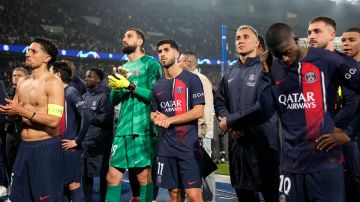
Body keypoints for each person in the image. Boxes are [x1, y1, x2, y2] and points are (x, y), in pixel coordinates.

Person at [262, 22, 360, 202]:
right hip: (290, 166)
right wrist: (265, 75)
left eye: (286, 52)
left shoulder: (328, 60)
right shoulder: (275, 69)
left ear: (296, 40)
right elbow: (265, 111)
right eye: (278, 55)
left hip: (324, 163)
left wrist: (349, 132)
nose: (284, 59)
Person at [214, 25, 279, 202]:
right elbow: (219, 101)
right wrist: (230, 123)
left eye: (245, 36)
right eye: (237, 38)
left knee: (270, 194)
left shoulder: (267, 68)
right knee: (244, 195)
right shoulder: (230, 71)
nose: (240, 40)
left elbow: (263, 106)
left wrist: (231, 122)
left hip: (262, 142)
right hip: (237, 144)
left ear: (257, 42)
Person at [0, 37, 64, 201]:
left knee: (44, 198)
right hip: (23, 146)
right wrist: (9, 112)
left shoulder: (53, 83)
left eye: (33, 51)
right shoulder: (22, 81)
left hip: (45, 147)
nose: (27, 54)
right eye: (28, 50)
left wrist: (20, 110)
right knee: (19, 197)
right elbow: (14, 112)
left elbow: (53, 121)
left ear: (46, 58)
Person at [106, 28, 162, 202]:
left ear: (140, 42)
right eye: (123, 36)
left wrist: (129, 85)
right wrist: (116, 87)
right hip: (122, 129)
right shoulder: (123, 68)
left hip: (143, 128)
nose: (124, 39)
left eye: (128, 36)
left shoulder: (150, 64)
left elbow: (156, 96)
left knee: (143, 177)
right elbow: (113, 100)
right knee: (112, 177)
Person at [307, 17, 360, 202]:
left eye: (317, 31)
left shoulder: (344, 65)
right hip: (310, 146)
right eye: (309, 32)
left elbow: (352, 104)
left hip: (340, 138)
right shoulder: (303, 63)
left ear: (331, 35)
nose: (312, 36)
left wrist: (345, 131)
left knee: (350, 181)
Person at [151, 39, 204, 202]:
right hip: (165, 147)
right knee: (174, 192)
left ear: (177, 53)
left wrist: (170, 120)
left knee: (194, 195)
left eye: (166, 50)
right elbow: (153, 113)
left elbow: (198, 111)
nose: (162, 54)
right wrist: (155, 118)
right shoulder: (157, 85)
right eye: (159, 52)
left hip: (188, 147)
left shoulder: (191, 79)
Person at [50, 61, 91, 202]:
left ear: (57, 75)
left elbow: (87, 115)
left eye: (50, 73)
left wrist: (77, 140)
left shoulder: (71, 91)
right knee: (60, 185)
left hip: (69, 147)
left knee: (73, 184)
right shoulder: (57, 93)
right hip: (58, 145)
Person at [179, 50, 216, 202]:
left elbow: (204, 108)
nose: (178, 63)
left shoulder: (199, 79)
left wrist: (200, 132)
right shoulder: (192, 79)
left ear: (187, 62)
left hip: (200, 133)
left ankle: (210, 199)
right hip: (194, 133)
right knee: (193, 168)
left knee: (205, 170)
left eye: (180, 60)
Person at [82, 68, 114, 202]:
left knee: (103, 177)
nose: (86, 78)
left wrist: (88, 114)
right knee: (85, 176)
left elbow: (106, 119)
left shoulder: (105, 95)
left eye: (90, 76)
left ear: (98, 80)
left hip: (100, 143)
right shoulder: (84, 96)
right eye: (86, 76)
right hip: (85, 142)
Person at [5, 67, 28, 177]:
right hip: (9, 131)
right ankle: (12, 187)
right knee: (10, 161)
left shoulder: (30, 93)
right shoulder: (8, 91)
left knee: (22, 163)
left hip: (23, 131)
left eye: (19, 75)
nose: (16, 77)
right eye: (14, 75)